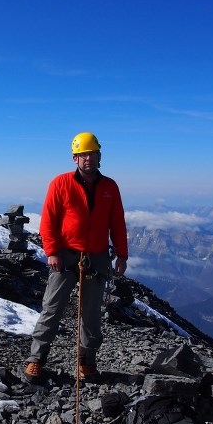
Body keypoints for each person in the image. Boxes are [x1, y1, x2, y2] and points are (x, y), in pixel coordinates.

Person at [24, 132, 128, 383]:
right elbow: (48, 221)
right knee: (52, 308)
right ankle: (36, 359)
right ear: (75, 158)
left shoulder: (109, 187)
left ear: (99, 156)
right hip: (65, 255)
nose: (88, 158)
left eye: (92, 153)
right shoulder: (60, 183)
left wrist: (122, 255)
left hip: (98, 256)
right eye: (83, 154)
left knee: (91, 314)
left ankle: (87, 361)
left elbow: (117, 222)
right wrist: (51, 252)